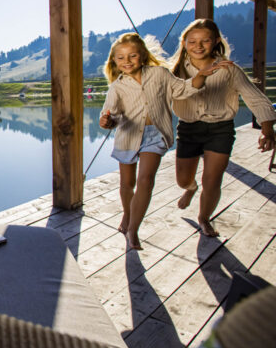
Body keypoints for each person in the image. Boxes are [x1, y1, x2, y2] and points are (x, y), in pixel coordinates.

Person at [99, 32, 228, 250]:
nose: (127, 61)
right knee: (127, 184)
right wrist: (107, 121)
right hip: (127, 136)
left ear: (142, 55)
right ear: (114, 60)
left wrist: (202, 75)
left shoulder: (160, 74)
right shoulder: (116, 87)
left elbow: (183, 89)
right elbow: (111, 115)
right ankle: (127, 214)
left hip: (155, 134)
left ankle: (133, 229)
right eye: (121, 58)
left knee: (146, 180)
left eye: (132, 56)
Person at [170, 18, 276, 237]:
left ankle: (204, 218)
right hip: (189, 129)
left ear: (216, 41)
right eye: (192, 41)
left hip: (221, 129)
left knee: (212, 180)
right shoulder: (175, 71)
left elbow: (255, 98)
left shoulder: (229, 70)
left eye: (205, 40)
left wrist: (267, 129)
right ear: (184, 43)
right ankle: (191, 188)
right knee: (183, 180)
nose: (198, 46)